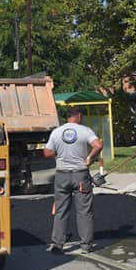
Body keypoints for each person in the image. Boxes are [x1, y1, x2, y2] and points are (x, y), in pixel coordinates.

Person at [43, 107, 103, 255]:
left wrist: (58, 157)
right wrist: (89, 158)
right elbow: (98, 145)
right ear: (79, 116)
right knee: (84, 211)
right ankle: (86, 245)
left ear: (67, 117)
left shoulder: (56, 132)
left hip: (62, 175)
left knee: (61, 211)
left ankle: (58, 244)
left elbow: (47, 152)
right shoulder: (85, 131)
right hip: (80, 175)